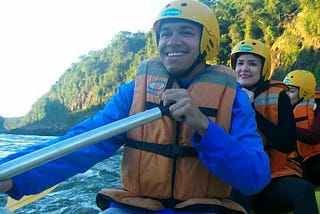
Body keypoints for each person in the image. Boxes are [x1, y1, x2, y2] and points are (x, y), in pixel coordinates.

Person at [0, 1, 271, 213]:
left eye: (185, 32)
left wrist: (202, 125)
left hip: (202, 207)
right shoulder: (134, 91)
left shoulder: (232, 97)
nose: (172, 41)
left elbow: (255, 177)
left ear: (207, 40)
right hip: (136, 206)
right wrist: (14, 174)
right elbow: (84, 142)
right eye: (165, 33)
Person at [228, 38, 319, 214]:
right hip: (242, 176)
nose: (244, 69)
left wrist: (252, 112)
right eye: (240, 63)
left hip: (275, 174)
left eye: (252, 64)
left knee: (304, 190)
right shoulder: (224, 95)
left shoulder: (279, 96)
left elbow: (286, 143)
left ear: (264, 68)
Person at [283, 70, 320, 187]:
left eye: (292, 91)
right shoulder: (285, 111)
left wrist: (288, 129)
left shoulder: (317, 106)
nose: (287, 95)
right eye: (285, 91)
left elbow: (314, 137)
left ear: (305, 92)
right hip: (300, 162)